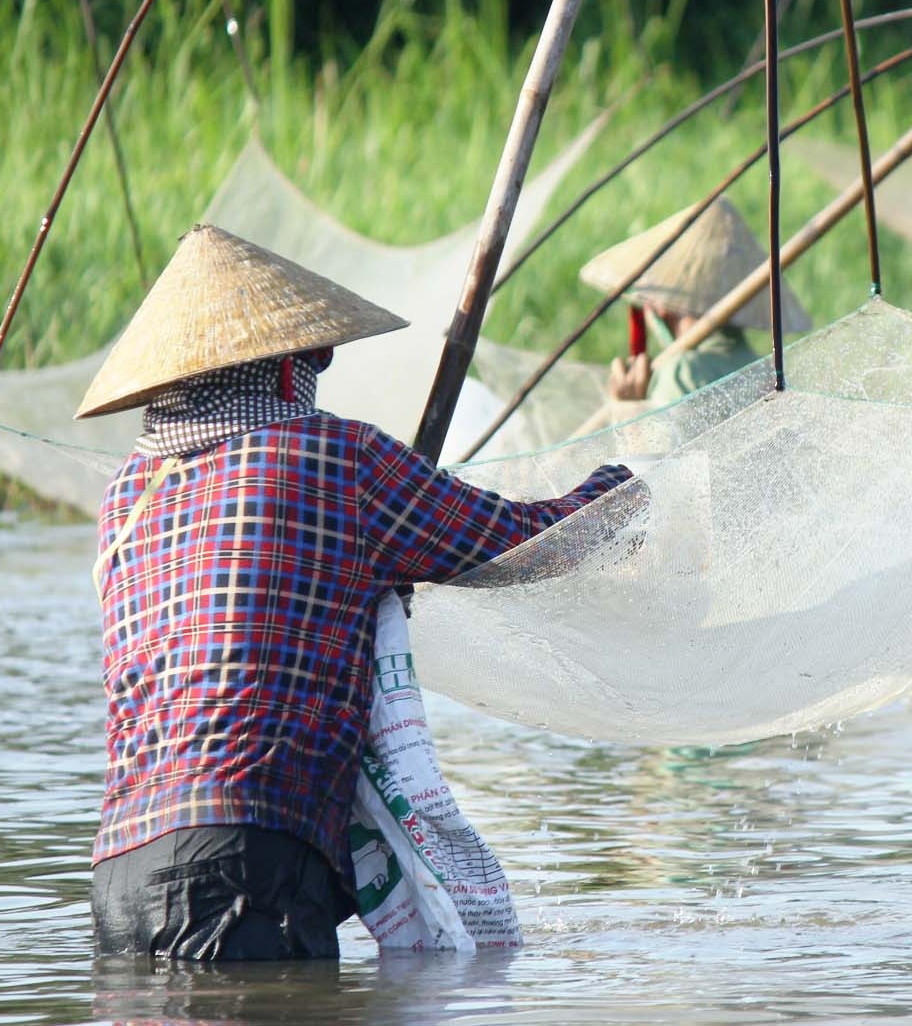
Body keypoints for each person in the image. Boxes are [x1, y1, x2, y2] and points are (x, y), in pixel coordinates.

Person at [79, 224, 632, 961]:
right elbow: (517, 545)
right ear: (284, 374)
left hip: (119, 874)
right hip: (243, 860)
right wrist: (622, 493)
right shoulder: (335, 457)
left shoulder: (127, 497)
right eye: (314, 361)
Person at [580, 196, 809, 407]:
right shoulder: (767, 370)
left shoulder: (683, 373)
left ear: (659, 307)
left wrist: (629, 413)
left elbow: (668, 453)